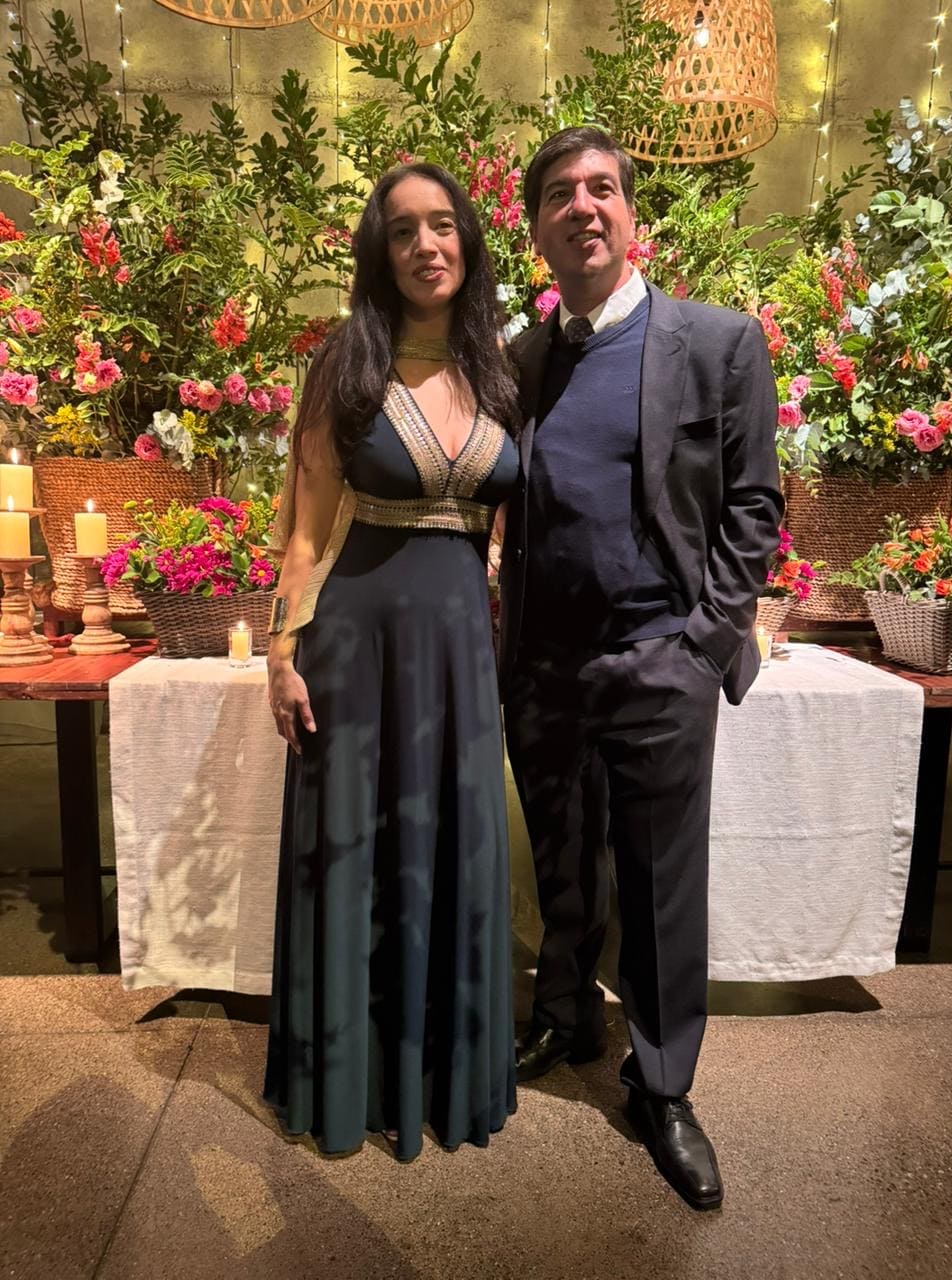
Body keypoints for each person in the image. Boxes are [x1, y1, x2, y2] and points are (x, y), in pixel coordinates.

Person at [499, 127, 783, 1209]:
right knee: (563, 859)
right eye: (560, 194)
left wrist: (705, 641)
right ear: (537, 230)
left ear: (630, 215)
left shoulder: (718, 344)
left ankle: (662, 1084)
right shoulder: (519, 362)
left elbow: (753, 504)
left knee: (663, 884)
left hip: (663, 662)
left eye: (602, 188)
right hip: (546, 667)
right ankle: (566, 1013)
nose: (583, 206)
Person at [263, 163, 520, 1162]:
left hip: (460, 658)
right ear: (381, 250)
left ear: (468, 241)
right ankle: (347, 1082)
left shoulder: (499, 367)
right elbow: (303, 527)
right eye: (404, 229)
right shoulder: (346, 365)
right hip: (355, 650)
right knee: (355, 859)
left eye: (442, 225)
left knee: (454, 850)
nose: (426, 246)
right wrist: (281, 650)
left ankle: (444, 1077)